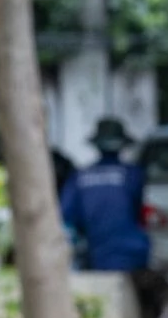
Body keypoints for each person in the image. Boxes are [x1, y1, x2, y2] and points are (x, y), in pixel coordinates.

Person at [61, 118, 153, 278]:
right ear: (122, 146)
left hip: (98, 256)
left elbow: (66, 217)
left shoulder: (79, 178)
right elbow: (140, 211)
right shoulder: (133, 174)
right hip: (135, 255)